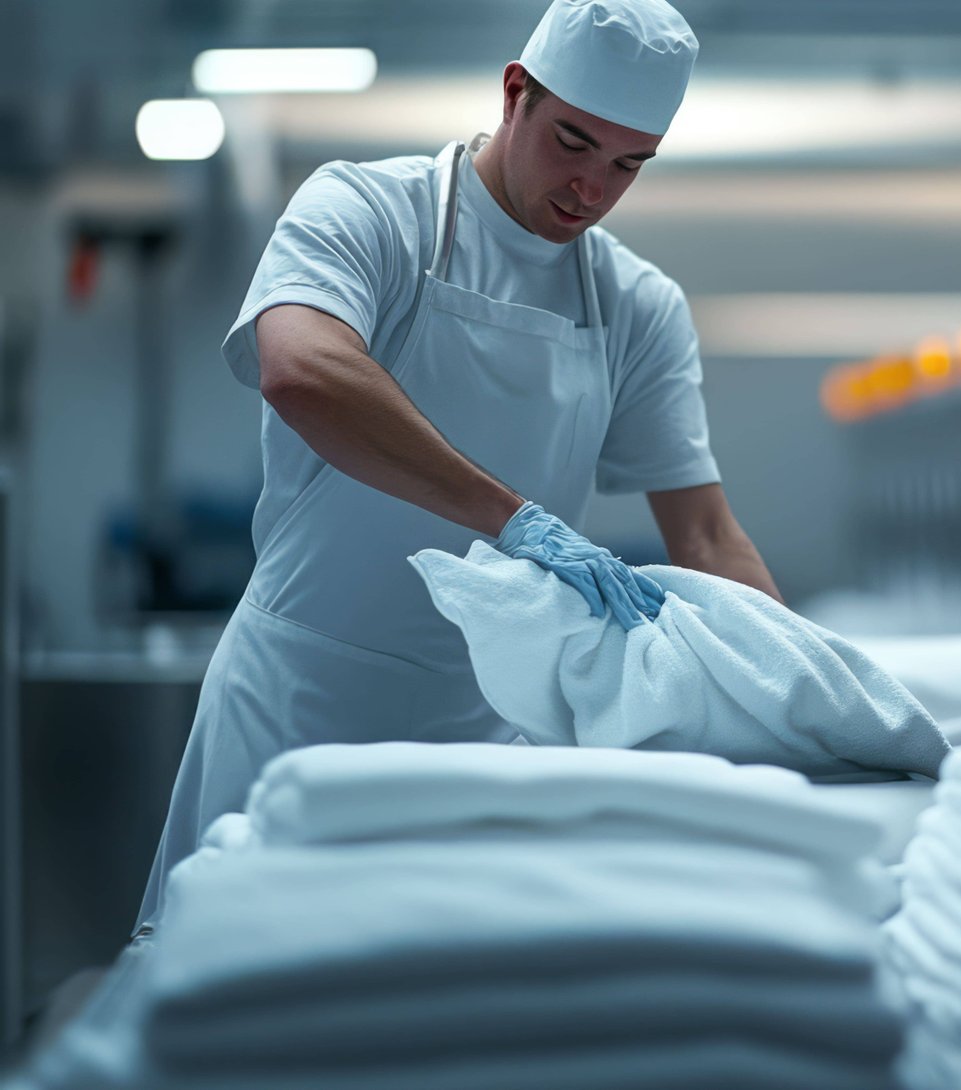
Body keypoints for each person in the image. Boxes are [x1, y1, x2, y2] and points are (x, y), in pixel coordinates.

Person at [136, 0, 778, 933]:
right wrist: (513, 519)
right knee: (235, 1008)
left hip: (489, 733)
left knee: (433, 1019)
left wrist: (813, 691)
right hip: (301, 703)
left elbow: (709, 536)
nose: (592, 189)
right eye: (573, 142)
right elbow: (301, 367)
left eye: (627, 166)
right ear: (514, 93)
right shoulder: (369, 211)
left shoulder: (636, 307)